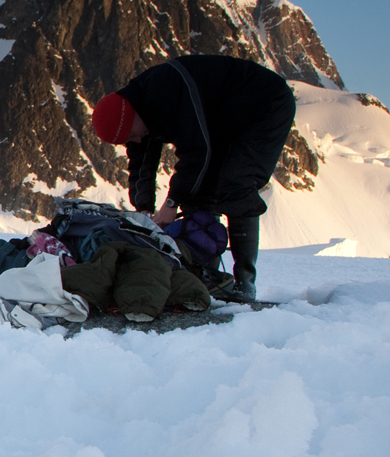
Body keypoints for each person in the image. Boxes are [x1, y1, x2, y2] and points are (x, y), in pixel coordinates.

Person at [92, 55, 295, 302]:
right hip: (222, 121)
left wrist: (170, 203)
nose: (134, 141)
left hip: (264, 105)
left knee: (237, 184)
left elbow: (197, 153)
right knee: (198, 193)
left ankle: (245, 283)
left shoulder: (166, 94)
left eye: (131, 135)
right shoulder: (137, 116)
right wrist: (144, 209)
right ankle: (207, 276)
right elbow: (141, 165)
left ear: (132, 117)